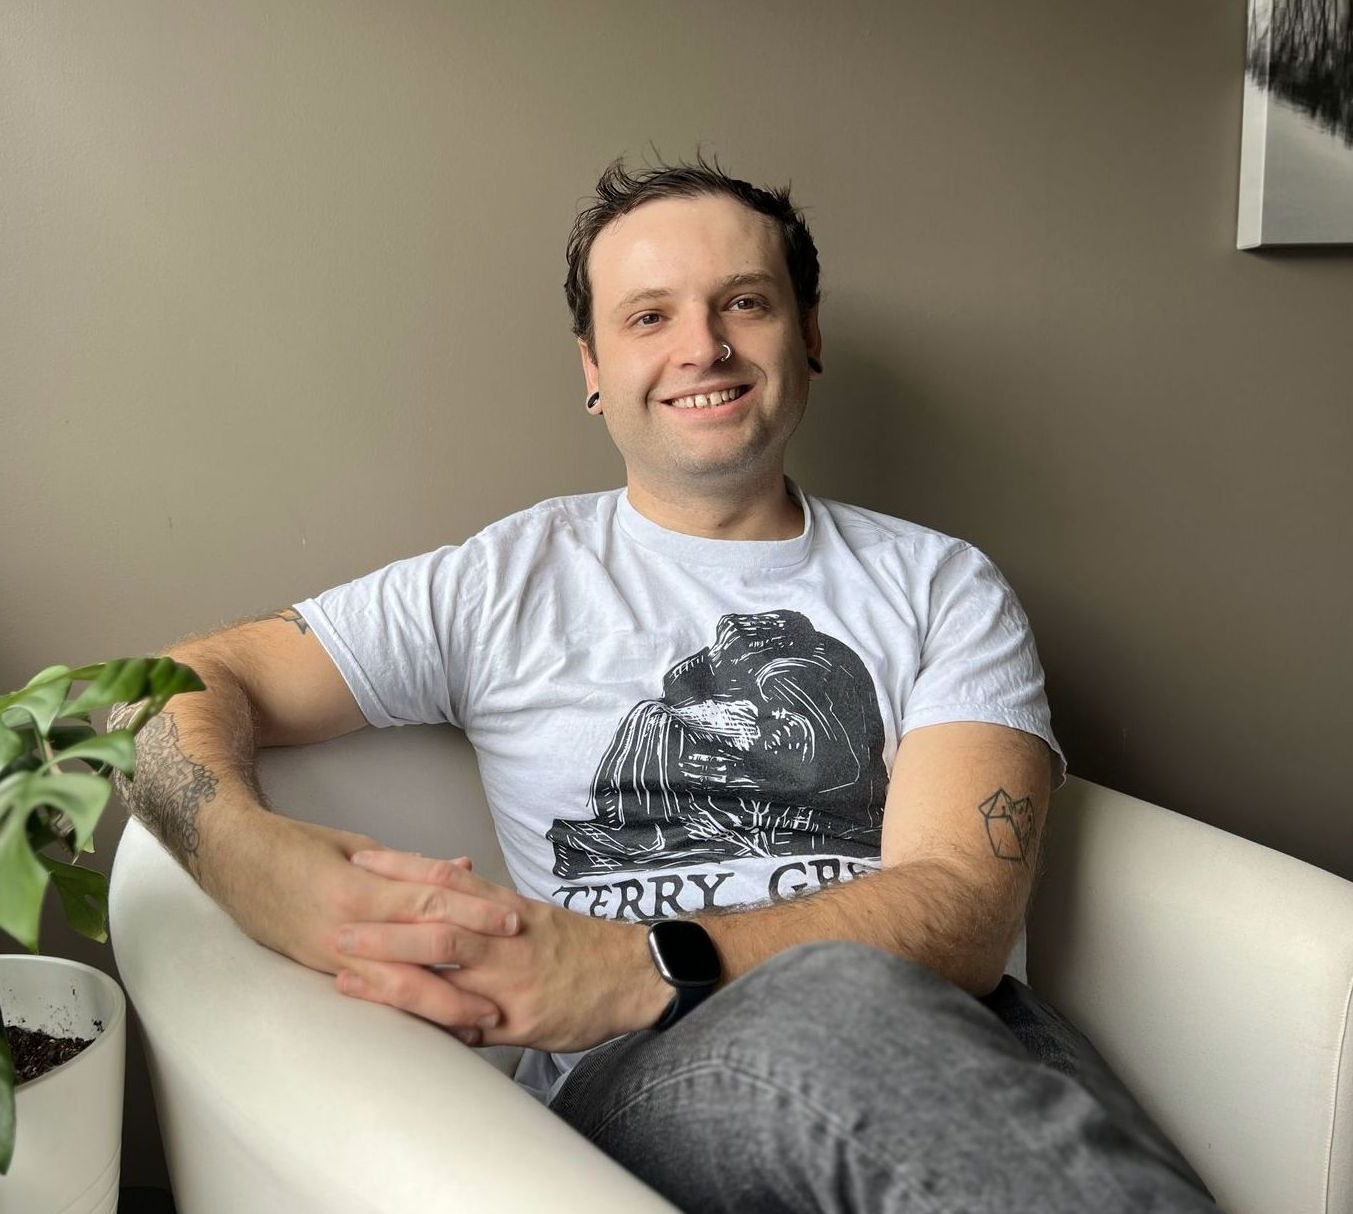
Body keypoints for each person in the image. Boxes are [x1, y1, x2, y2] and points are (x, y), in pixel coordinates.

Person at [111, 155, 1220, 1213]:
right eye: (649, 316)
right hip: (643, 1075)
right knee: (840, 996)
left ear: (807, 336)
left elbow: (959, 910)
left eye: (744, 303)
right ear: (592, 367)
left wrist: (638, 958)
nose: (703, 347)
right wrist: (244, 854)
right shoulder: (501, 580)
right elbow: (163, 685)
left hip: (957, 1027)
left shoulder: (938, 583)